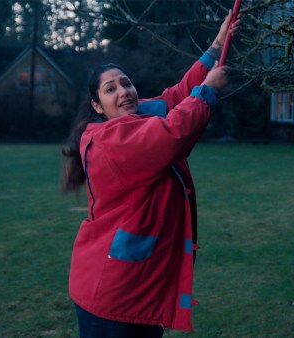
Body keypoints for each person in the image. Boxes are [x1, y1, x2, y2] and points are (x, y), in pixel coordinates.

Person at [60, 10, 240, 338]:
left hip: (137, 287)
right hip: (112, 294)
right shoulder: (109, 138)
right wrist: (209, 92)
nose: (123, 92)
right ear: (97, 106)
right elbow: (172, 134)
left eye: (126, 84)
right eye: (110, 89)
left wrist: (218, 42)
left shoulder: (136, 118)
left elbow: (177, 95)